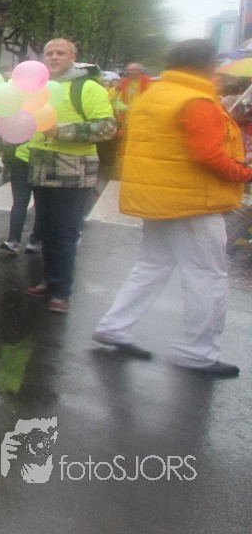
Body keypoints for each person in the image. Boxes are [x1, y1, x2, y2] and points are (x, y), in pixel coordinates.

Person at [93, 40, 250, 377]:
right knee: (207, 276)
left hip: (158, 198)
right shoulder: (197, 100)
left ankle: (115, 326)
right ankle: (197, 351)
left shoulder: (155, 94)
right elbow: (210, 155)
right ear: (209, 64)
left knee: (152, 266)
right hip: (193, 202)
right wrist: (244, 172)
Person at [25, 38, 116, 313]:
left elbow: (107, 127)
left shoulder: (87, 87)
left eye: (60, 53)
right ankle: (50, 280)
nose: (53, 57)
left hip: (73, 170)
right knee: (46, 231)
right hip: (41, 167)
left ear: (73, 57)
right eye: (49, 53)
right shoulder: (37, 86)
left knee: (64, 232)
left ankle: (61, 292)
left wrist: (61, 130)